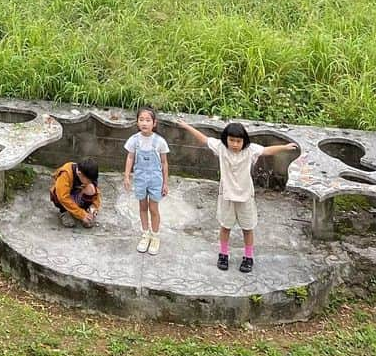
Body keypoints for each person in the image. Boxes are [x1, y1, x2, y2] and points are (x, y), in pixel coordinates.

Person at [177, 119, 300, 271]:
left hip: (245, 196)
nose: (235, 144)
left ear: (244, 141)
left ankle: (248, 257)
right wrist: (187, 126)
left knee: (248, 228)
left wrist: (285, 147)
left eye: (238, 141)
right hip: (227, 196)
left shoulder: (250, 150)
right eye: (232, 140)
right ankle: (223, 254)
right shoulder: (221, 148)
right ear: (226, 139)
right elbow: (203, 139)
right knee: (225, 226)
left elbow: (267, 150)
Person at [123, 106, 169, 254]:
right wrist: (127, 176)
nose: (144, 123)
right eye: (141, 119)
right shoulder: (134, 140)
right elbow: (130, 157)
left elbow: (164, 163)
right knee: (142, 207)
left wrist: (165, 183)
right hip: (140, 179)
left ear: (154, 123)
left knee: (153, 209)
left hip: (155, 179)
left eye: (148, 120)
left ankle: (155, 237)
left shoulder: (160, 142)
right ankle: (145, 234)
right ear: (137, 122)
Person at [50, 158, 101, 227]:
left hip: (76, 195)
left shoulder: (87, 174)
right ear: (80, 174)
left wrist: (94, 207)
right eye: (88, 181)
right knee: (58, 194)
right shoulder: (66, 173)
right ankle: (64, 212)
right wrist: (81, 214)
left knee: (91, 188)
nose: (90, 182)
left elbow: (96, 193)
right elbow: (63, 197)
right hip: (63, 198)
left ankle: (86, 213)